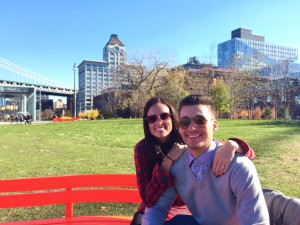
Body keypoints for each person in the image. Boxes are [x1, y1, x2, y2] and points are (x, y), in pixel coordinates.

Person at [142, 95, 269, 225]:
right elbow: (157, 208)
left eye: (200, 120)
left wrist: (233, 143)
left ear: (214, 125)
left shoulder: (238, 166)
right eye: (185, 122)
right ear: (179, 128)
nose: (192, 128)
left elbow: (257, 222)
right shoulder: (177, 167)